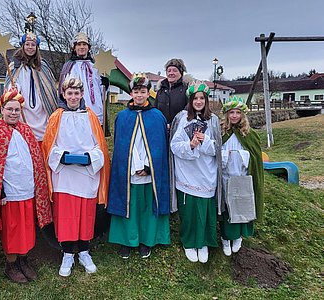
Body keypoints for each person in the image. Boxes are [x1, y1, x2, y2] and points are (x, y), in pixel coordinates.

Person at [0, 88, 52, 284]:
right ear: (2, 109)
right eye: (9, 109)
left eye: (17, 110)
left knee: (27, 228)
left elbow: (36, 159)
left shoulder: (26, 130)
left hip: (28, 190)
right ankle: (11, 265)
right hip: (8, 193)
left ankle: (23, 260)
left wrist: (38, 185)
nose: (13, 113)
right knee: (12, 230)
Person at [42, 74, 110, 277]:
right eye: (69, 93)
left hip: (86, 176)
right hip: (64, 177)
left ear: (82, 94)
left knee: (85, 216)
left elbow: (101, 148)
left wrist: (90, 158)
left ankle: (84, 251)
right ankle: (67, 253)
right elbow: (48, 147)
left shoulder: (90, 117)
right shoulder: (56, 117)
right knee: (66, 216)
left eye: (76, 93)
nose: (73, 97)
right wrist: (61, 157)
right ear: (63, 94)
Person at [107, 73, 171, 259]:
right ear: (132, 93)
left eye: (143, 91)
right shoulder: (122, 117)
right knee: (130, 205)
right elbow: (121, 147)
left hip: (149, 173)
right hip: (129, 171)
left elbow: (159, 147)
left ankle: (146, 241)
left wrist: (148, 167)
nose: (139, 95)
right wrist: (134, 166)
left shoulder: (157, 116)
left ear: (147, 92)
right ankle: (127, 241)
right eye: (136, 91)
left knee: (146, 207)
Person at [170, 81, 222, 263]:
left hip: (206, 173)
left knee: (205, 211)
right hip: (187, 173)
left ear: (206, 100)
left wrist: (205, 141)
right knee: (190, 211)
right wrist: (190, 145)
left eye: (202, 98)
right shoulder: (182, 119)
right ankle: (189, 242)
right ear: (190, 101)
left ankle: (204, 242)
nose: (198, 101)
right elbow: (174, 146)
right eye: (195, 98)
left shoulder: (213, 120)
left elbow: (218, 149)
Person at [220, 96, 264, 256]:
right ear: (226, 114)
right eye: (231, 112)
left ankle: (238, 237)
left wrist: (239, 155)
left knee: (242, 205)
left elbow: (255, 156)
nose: (234, 116)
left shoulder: (249, 134)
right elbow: (215, 154)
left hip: (242, 176)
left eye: (237, 113)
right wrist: (226, 155)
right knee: (227, 208)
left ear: (242, 115)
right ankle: (226, 238)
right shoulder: (221, 132)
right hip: (226, 176)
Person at [5, 31, 58, 144]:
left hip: (42, 109)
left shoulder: (43, 66)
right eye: (27, 44)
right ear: (23, 46)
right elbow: (10, 85)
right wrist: (13, 89)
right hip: (24, 110)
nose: (30, 47)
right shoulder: (14, 66)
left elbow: (50, 89)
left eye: (33, 45)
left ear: (37, 47)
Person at [58, 32, 109, 125]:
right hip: (76, 108)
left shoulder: (96, 66)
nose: (82, 47)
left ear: (88, 47)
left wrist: (105, 84)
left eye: (84, 44)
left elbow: (102, 90)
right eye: (79, 44)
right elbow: (63, 89)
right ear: (74, 48)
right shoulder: (69, 66)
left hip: (95, 108)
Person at [155, 58, 189, 126]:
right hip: (162, 128)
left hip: (180, 130)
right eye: (169, 71)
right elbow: (155, 110)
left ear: (181, 73)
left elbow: (188, 111)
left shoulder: (186, 89)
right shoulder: (161, 90)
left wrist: (173, 125)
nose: (171, 73)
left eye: (175, 71)